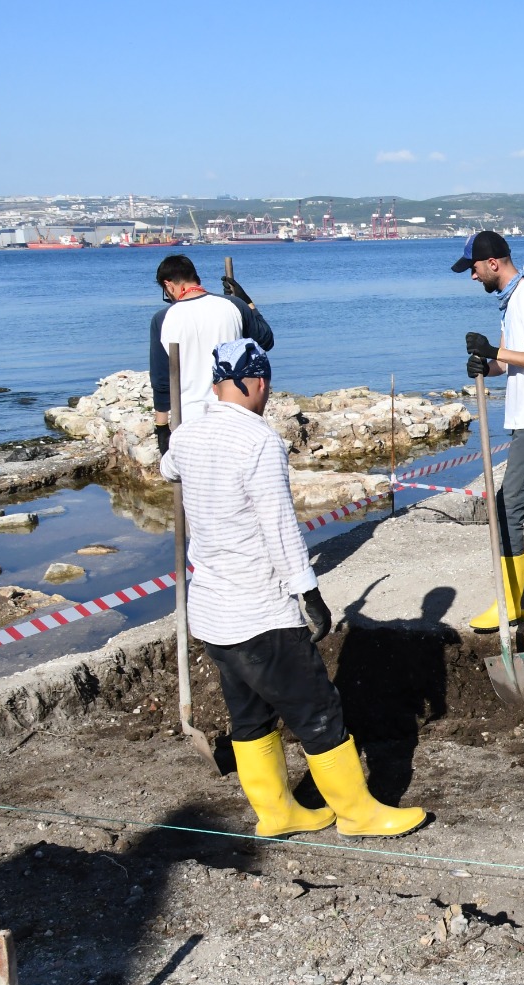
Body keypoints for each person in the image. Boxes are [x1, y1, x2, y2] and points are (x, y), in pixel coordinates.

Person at [161, 339, 426, 840]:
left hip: (212, 613)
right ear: (258, 383)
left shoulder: (188, 435)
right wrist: (308, 592)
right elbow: (280, 527)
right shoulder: (259, 442)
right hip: (258, 609)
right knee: (317, 711)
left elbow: (166, 469)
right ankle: (357, 813)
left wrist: (173, 435)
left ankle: (278, 811)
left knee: (249, 714)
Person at [456, 230, 524, 631]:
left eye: (472, 269)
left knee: (505, 509)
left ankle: (510, 605)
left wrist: (495, 351)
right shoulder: (511, 300)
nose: (471, 277)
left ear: (492, 263)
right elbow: (509, 362)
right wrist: (486, 366)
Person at [149, 254, 273, 453]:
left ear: (169, 285)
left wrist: (162, 429)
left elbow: (162, 380)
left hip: (189, 419)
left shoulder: (163, 319)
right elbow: (266, 340)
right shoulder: (233, 306)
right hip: (236, 414)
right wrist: (247, 302)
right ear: (196, 279)